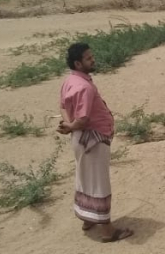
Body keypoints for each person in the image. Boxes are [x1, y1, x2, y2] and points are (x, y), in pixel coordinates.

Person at [57, 43, 133, 242]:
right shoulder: (84, 87)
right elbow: (82, 119)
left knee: (84, 179)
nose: (93, 60)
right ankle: (107, 231)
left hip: (80, 139)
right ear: (78, 63)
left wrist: (69, 125)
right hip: (92, 140)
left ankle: (87, 219)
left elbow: (63, 106)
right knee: (99, 183)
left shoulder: (70, 80)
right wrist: (72, 126)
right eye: (89, 58)